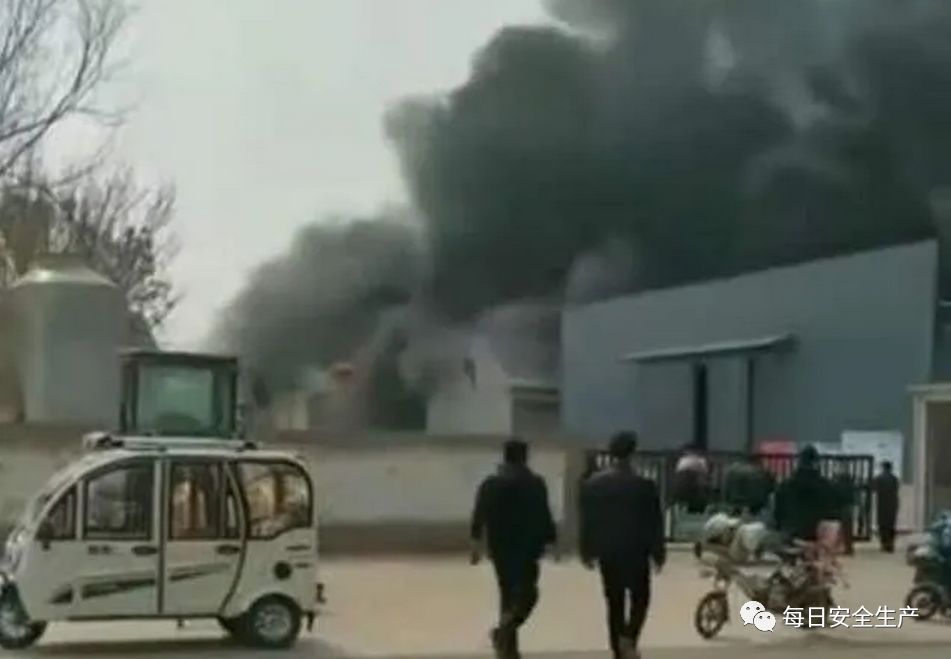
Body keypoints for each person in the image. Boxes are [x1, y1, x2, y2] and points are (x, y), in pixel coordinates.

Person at [580, 432, 665, 659]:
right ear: (633, 453)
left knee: (614, 602)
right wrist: (658, 552)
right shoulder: (644, 485)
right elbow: (654, 522)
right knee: (640, 598)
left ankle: (618, 649)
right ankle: (629, 637)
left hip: (608, 551)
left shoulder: (593, 484)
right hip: (636, 550)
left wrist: (586, 549)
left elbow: (588, 520)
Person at [471, 438, 557, 659]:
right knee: (528, 594)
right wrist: (551, 541)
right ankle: (505, 633)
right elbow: (544, 513)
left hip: (500, 549)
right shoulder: (535, 483)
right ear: (525, 457)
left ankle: (508, 648)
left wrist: (476, 543)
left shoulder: (491, 484)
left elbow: (479, 515)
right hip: (528, 548)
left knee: (507, 595)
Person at [773, 445, 838, 542]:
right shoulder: (826, 486)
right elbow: (832, 513)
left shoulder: (785, 485)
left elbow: (778, 513)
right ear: (816, 463)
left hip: (789, 533)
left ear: (799, 462)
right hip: (817, 535)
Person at [873, 461, 900, 553]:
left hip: (882, 504)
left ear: (883, 468)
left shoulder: (879, 478)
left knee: (882, 525)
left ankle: (884, 544)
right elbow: (896, 489)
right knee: (891, 525)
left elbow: (873, 488)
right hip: (892, 504)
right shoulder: (894, 478)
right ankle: (890, 544)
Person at [831, 463, 856, 555]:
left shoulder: (837, 483)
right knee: (847, 529)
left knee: (840, 529)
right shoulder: (850, 483)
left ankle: (841, 547)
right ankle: (848, 548)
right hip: (848, 507)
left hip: (840, 507)